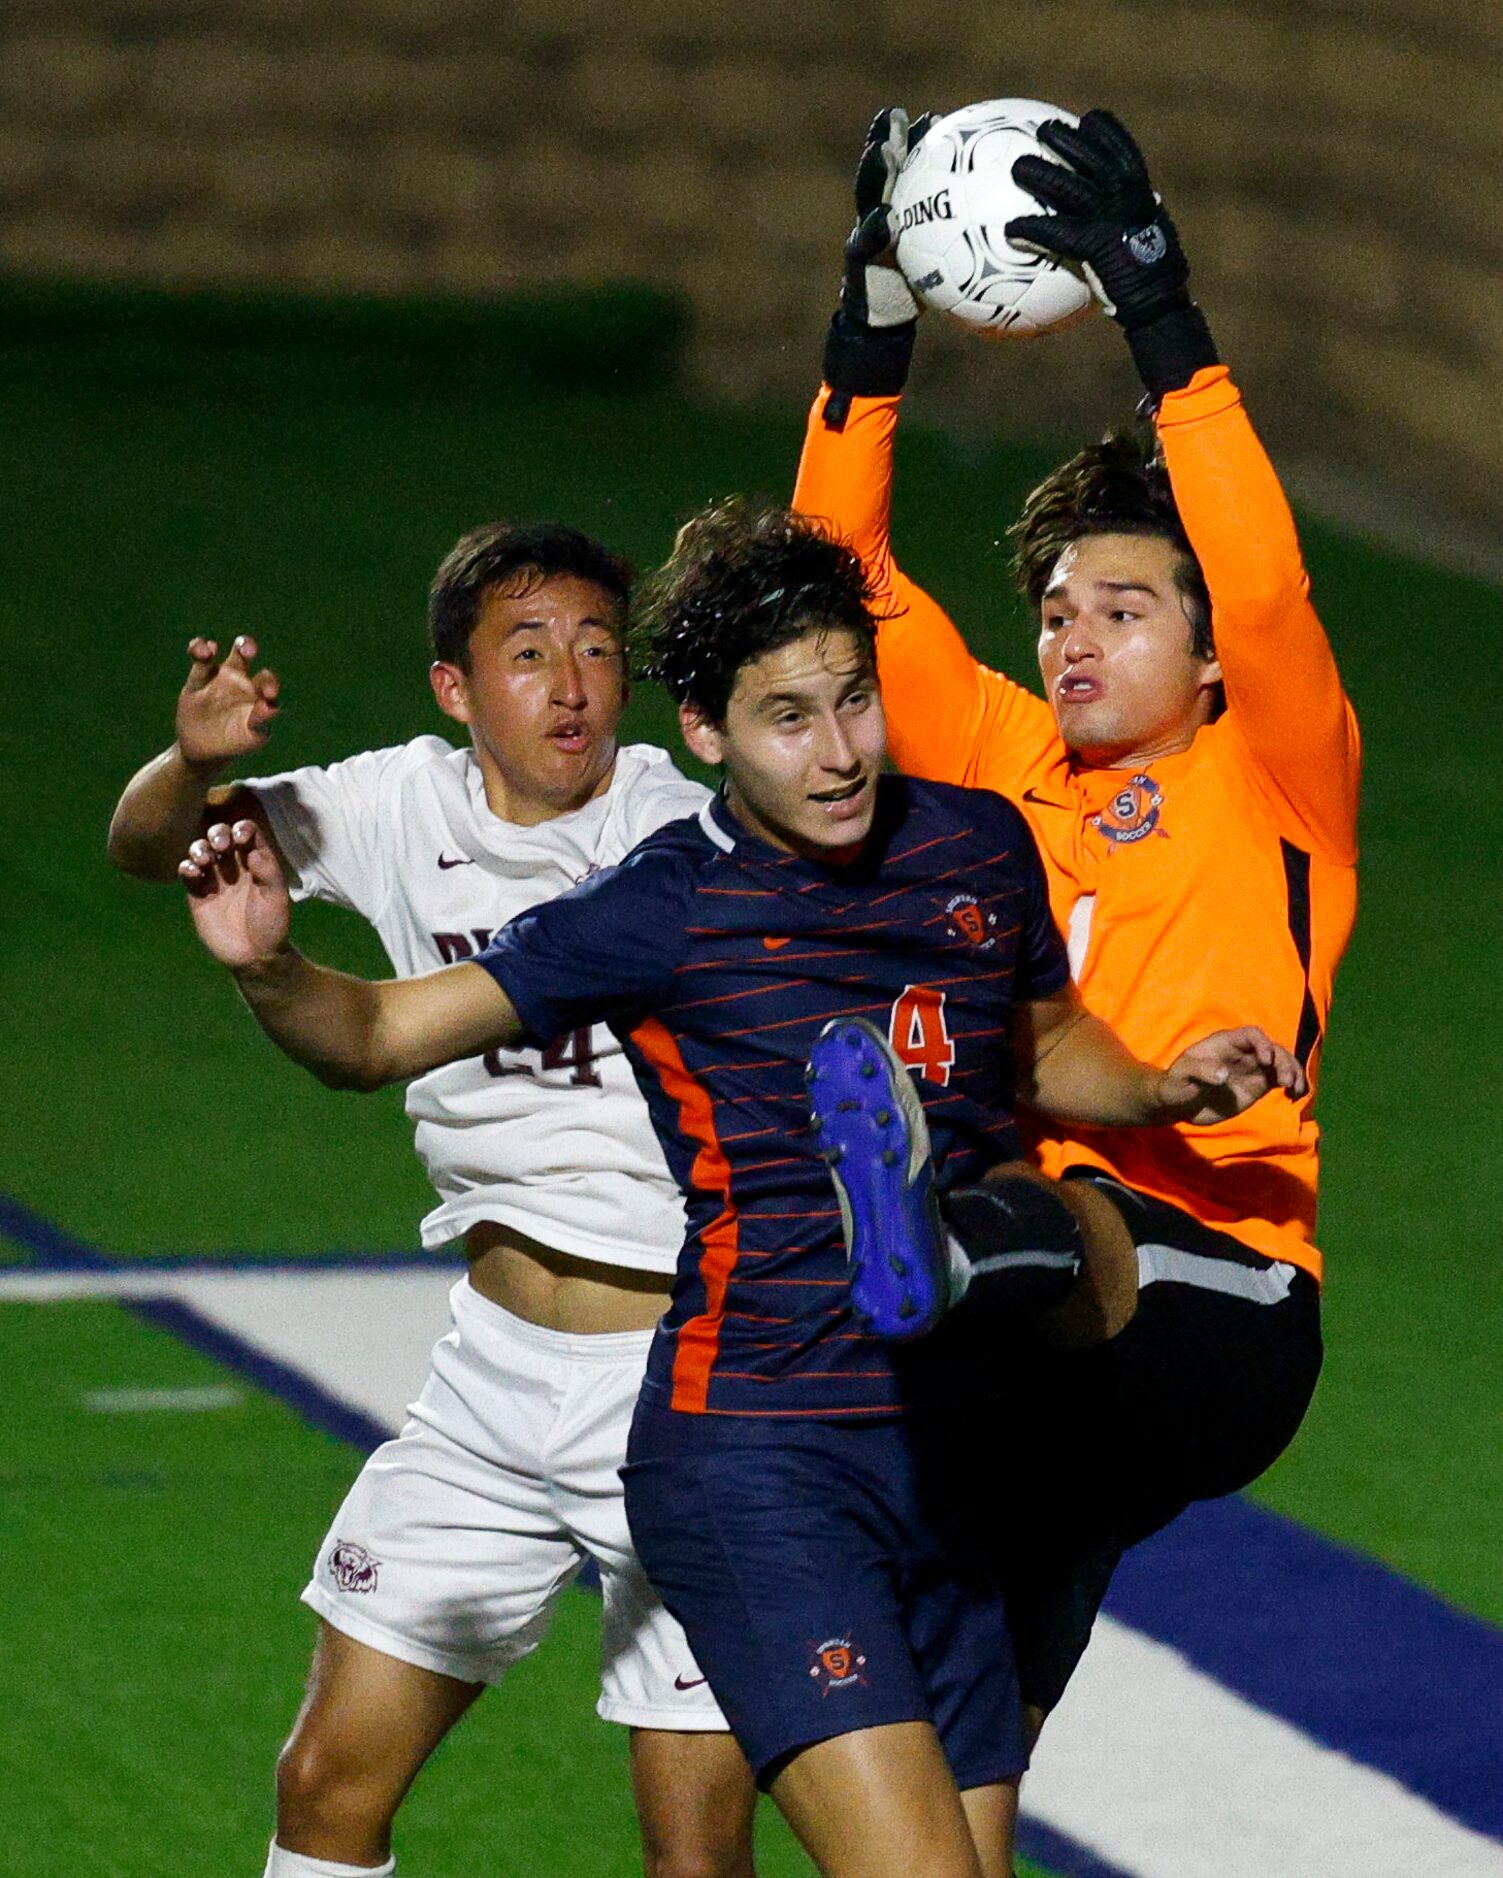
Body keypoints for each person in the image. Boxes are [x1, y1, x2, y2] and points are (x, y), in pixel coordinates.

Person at [175, 497, 1305, 1878]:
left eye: (854, 702)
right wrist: (266, 965)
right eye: (788, 718)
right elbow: (376, 1035)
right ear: (704, 733)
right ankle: (968, 1255)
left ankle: (962, 1261)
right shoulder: (664, 906)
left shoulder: (971, 849)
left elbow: (1045, 1039)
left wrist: (1158, 1086)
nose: (839, 754)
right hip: (758, 1453)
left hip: (941, 1450)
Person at [792, 106, 1359, 1734]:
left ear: (1205, 656)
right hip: (1031, 1352)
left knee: (1023, 1212)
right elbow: (835, 574)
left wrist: (1158, 315)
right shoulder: (1004, 755)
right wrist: (873, 326)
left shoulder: (1278, 768)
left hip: (1221, 1295)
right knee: (949, 1726)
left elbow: (1261, 584)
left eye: (1125, 609)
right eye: (1055, 613)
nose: (1075, 640)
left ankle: (927, 1220)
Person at [107, 522, 763, 1878]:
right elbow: (144, 844)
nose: (571, 683)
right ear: (455, 689)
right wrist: (195, 765)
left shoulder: (682, 827)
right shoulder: (398, 803)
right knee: (326, 1781)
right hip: (492, 1385)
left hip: (689, 1387)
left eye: (594, 649)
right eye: (529, 654)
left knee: (694, 1852)